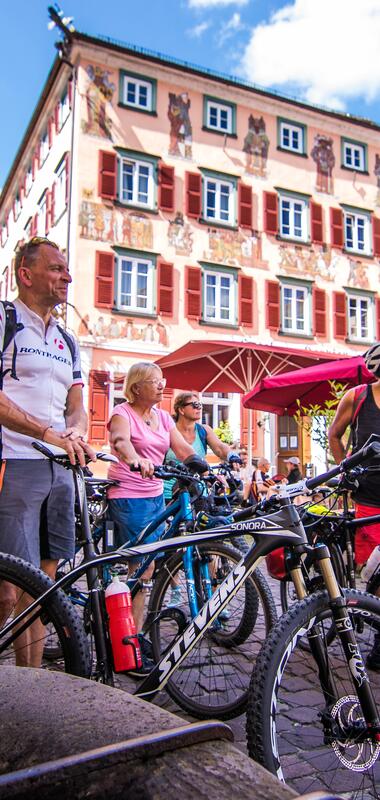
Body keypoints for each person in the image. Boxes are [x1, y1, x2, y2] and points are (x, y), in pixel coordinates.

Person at [0, 236, 95, 667]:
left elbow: (77, 403)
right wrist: (46, 432)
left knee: (43, 585)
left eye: (65, 268)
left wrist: (74, 433)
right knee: (8, 589)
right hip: (13, 462)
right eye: (56, 268)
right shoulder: (5, 319)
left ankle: (32, 686)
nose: (67, 275)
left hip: (59, 469)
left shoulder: (67, 339)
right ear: (26, 273)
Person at [107, 363, 195, 674]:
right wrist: (135, 460)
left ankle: (133, 627)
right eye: (154, 382)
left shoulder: (160, 417)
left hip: (156, 494)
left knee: (149, 565)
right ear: (136, 388)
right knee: (144, 567)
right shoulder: (122, 412)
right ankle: (131, 640)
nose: (161, 386)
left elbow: (182, 448)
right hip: (129, 494)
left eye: (163, 381)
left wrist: (208, 469)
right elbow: (121, 442)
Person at [329, 343, 380, 571]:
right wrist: (346, 470)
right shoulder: (357, 396)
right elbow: (334, 435)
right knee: (371, 568)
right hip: (368, 494)